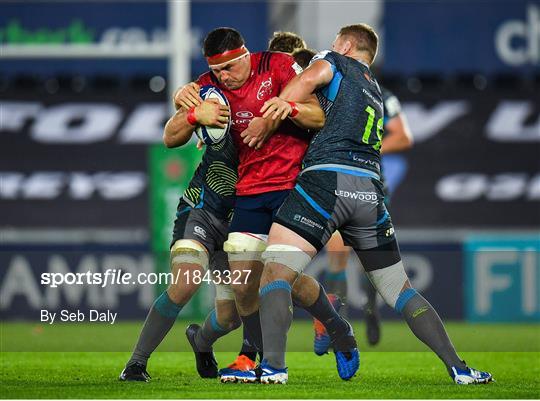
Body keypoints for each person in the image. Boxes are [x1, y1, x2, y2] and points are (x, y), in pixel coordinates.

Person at [245, 23, 493, 385]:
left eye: (333, 43)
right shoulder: (376, 90)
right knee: (400, 289)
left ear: (345, 45)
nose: (327, 48)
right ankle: (460, 368)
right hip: (369, 192)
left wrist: (278, 107)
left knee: (276, 271)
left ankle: (273, 368)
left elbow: (307, 80)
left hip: (326, 181)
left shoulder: (333, 62)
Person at [173, 27, 359, 383]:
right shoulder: (209, 86)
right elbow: (172, 133)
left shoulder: (279, 67)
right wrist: (187, 106)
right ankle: (337, 327)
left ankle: (258, 360)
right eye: (216, 71)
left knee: (277, 277)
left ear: (244, 55)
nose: (222, 77)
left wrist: (279, 112)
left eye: (228, 68)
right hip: (249, 191)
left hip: (292, 187)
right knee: (247, 282)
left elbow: (320, 117)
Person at [119, 91, 240, 381]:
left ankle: (200, 342)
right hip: (200, 211)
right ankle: (136, 363)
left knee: (230, 317)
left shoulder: (282, 125)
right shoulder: (221, 98)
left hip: (238, 224)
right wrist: (189, 111)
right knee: (186, 281)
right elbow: (172, 131)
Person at [316, 85, 414, 351]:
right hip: (336, 181)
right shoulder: (329, 94)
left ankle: (370, 308)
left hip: (369, 184)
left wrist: (363, 149)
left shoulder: (383, 95)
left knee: (366, 257)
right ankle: (339, 324)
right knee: (337, 250)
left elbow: (403, 137)